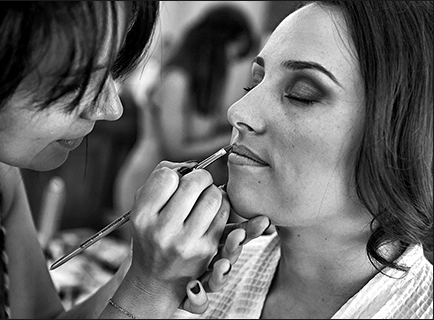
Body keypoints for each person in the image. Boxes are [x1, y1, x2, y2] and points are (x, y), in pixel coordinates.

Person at [0, 2, 270, 319]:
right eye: (77, 81)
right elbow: (176, 143)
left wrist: (140, 268)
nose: (112, 109)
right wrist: (152, 287)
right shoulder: (177, 81)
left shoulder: (3, 176)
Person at [172, 1, 433, 319]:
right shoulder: (198, 282)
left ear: (401, 136)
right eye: (253, 84)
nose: (238, 111)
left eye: (301, 93)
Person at [114, 4, 260, 217]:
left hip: (175, 186)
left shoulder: (199, 87)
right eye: (231, 53)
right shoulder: (176, 81)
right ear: (215, 45)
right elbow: (176, 149)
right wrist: (229, 140)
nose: (229, 63)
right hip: (149, 179)